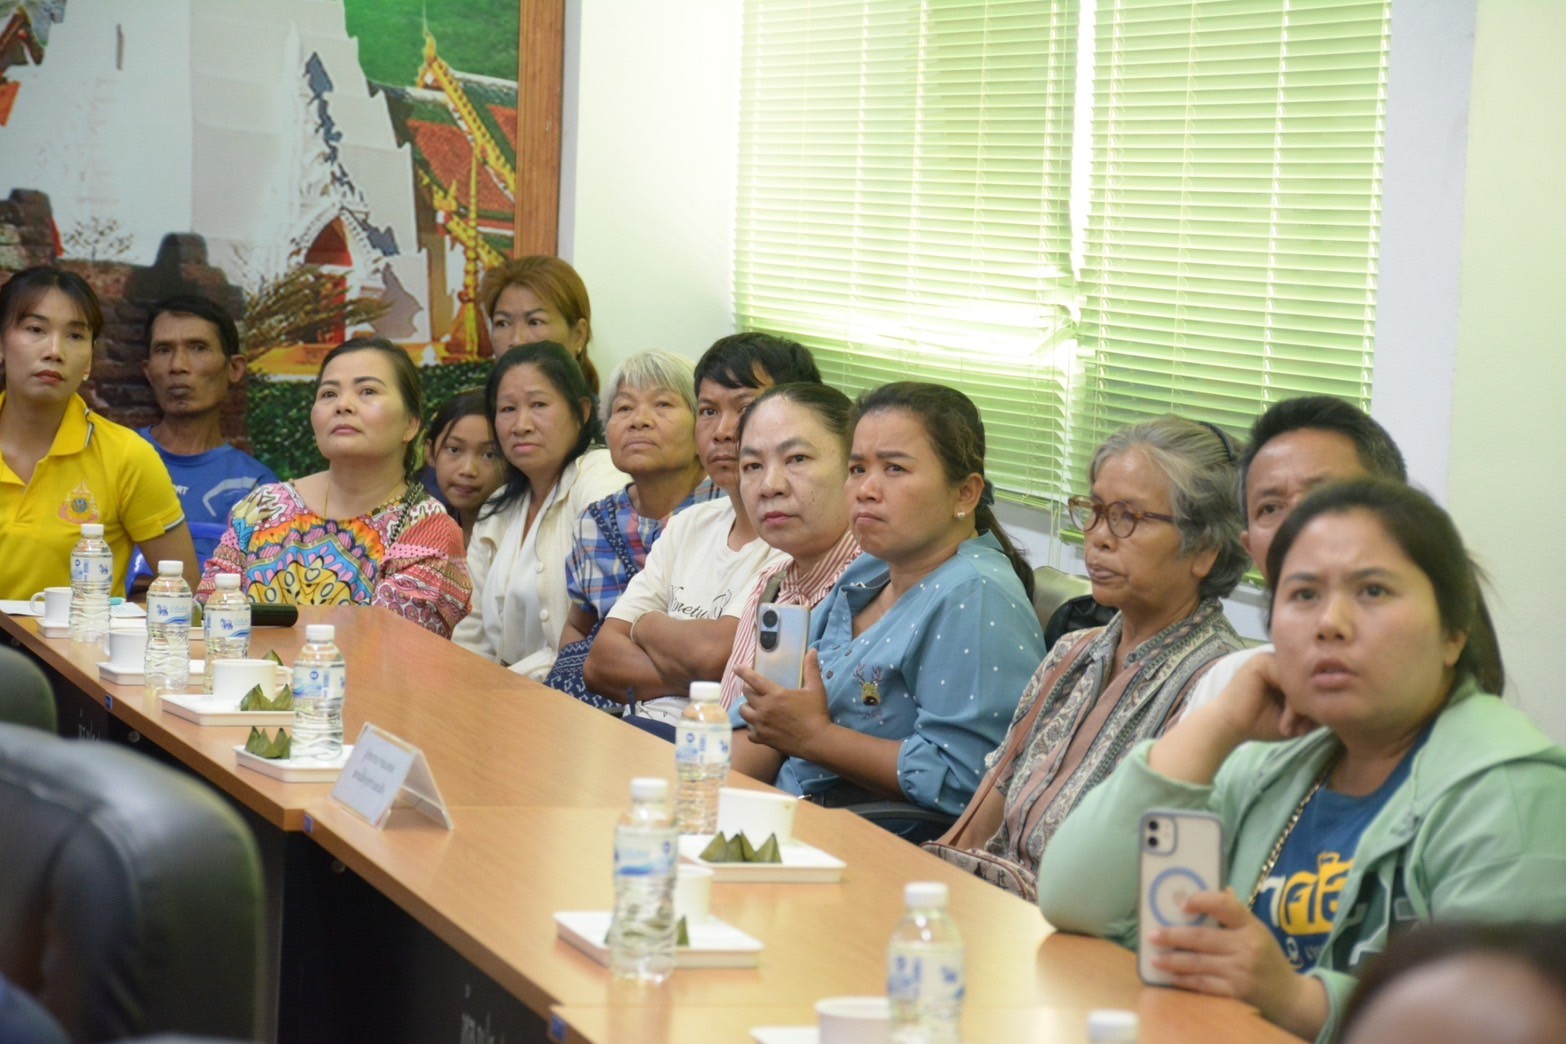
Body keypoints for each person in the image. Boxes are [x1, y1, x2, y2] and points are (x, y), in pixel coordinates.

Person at [1038, 479, 1566, 1043]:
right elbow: (1074, 899)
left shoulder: (1513, 791)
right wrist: (1219, 723)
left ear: (1453, 634)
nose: (1329, 623)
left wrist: (1296, 997)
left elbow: (1503, 1025)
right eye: (1304, 594)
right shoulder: (1274, 764)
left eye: (1373, 591)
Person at [925, 416, 1249, 898]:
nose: (1097, 536)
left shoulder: (1220, 692)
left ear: (1205, 548)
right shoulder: (1072, 653)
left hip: (1079, 932)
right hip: (989, 913)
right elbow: (971, 833)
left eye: (1127, 517)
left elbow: (1166, 899)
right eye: (1094, 511)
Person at [732, 382, 1047, 828]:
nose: (866, 489)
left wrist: (816, 738)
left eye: (894, 468)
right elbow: (770, 711)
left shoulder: (975, 595)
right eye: (857, 469)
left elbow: (968, 781)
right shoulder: (871, 568)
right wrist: (701, 792)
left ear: (965, 494)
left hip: (866, 840)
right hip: (779, 813)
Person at [583, 333, 820, 730]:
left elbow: (713, 655)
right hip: (632, 731)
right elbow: (600, 663)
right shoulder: (688, 523)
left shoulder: (793, 539)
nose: (723, 430)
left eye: (745, 407)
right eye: (708, 411)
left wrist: (645, 626)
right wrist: (703, 674)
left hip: (714, 746)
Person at [199, 337, 470, 637]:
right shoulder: (262, 507)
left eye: (368, 391)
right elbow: (208, 614)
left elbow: (395, 646)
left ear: (411, 424)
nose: (343, 405)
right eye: (328, 394)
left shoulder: (428, 529)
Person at [1183, 396, 1407, 712]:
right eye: (1271, 508)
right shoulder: (1229, 684)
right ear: (1251, 550)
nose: (1297, 527)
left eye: (1325, 497)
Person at [0, 266, 198, 598]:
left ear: (90, 360)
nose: (54, 350)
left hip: (80, 633)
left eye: (75, 336)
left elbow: (186, 594)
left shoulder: (127, 456)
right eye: (36, 329)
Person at [545, 350, 720, 710]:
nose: (639, 420)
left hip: (707, 712)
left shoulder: (730, 511)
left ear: (702, 425)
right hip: (607, 706)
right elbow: (579, 627)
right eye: (623, 408)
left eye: (663, 404)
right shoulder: (595, 522)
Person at [454, 342, 626, 678]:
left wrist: (502, 686)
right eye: (507, 409)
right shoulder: (498, 507)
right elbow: (471, 632)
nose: (521, 425)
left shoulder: (600, 476)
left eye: (538, 405)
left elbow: (602, 626)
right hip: (500, 692)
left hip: (576, 693)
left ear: (582, 412)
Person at [718, 383, 862, 710]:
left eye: (797, 458)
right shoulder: (771, 583)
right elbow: (730, 719)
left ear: (854, 467)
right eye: (753, 466)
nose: (770, 486)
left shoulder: (879, 587)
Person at [138, 293, 278, 565]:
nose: (178, 366)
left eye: (198, 348)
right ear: (148, 371)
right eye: (163, 350)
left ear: (234, 368)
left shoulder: (255, 486)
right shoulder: (114, 457)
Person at [480, 255, 600, 394]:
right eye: (503, 323)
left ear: (579, 335)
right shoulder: (474, 407)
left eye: (535, 322)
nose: (516, 340)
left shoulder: (611, 407)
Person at [423, 388, 505, 546]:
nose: (468, 470)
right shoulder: (425, 533)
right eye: (454, 450)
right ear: (431, 453)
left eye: (489, 455)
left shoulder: (518, 538)